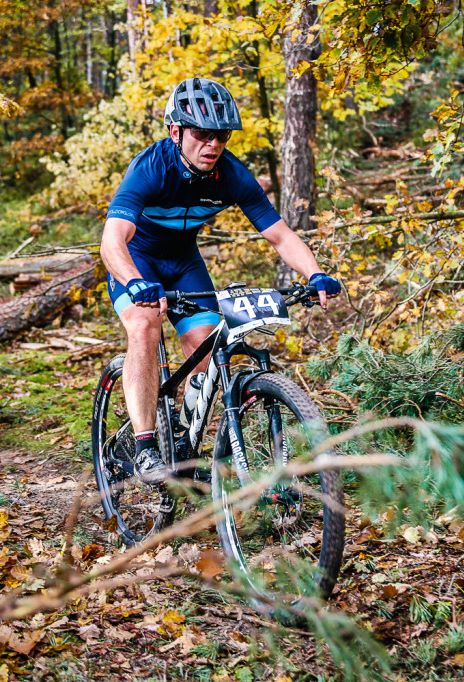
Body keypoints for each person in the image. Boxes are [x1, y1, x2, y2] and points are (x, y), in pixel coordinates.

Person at [99, 77, 341, 484]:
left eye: (221, 136)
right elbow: (111, 242)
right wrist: (134, 281)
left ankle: (182, 436)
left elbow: (280, 235)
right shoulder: (150, 168)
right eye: (202, 134)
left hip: (183, 262)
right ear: (176, 131)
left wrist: (314, 273)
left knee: (209, 343)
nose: (212, 145)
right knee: (144, 328)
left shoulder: (230, 176)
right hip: (137, 261)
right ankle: (143, 446)